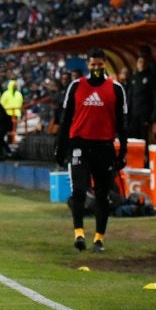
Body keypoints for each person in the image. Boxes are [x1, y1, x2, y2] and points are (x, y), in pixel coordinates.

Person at [55, 47, 128, 253]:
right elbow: (65, 119)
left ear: (105, 64)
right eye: (93, 65)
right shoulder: (76, 87)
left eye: (100, 64)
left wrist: (123, 151)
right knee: (78, 190)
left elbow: (122, 124)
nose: (96, 68)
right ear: (88, 65)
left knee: (102, 194)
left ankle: (99, 238)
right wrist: (60, 148)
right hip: (80, 145)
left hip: (104, 146)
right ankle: (79, 233)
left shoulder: (116, 89)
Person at [126, 56, 156, 145]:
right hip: (133, 114)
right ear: (137, 64)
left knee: (144, 138)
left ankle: (145, 157)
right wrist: (127, 112)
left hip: (145, 114)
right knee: (132, 138)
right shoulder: (133, 77)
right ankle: (132, 157)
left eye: (144, 62)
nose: (142, 64)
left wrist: (154, 113)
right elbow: (129, 96)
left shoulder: (151, 77)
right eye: (140, 62)